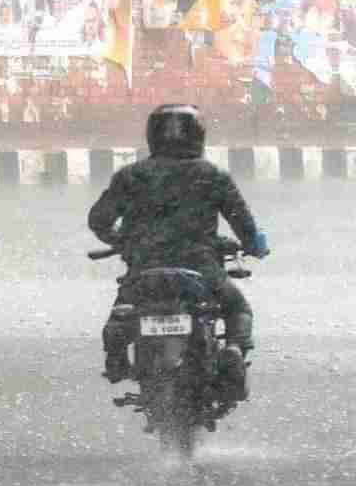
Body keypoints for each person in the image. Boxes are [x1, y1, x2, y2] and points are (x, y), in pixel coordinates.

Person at [88, 104, 270, 398]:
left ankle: (117, 358)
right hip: (201, 268)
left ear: (152, 135)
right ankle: (234, 350)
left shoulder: (131, 176)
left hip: (145, 270)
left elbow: (98, 220)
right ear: (198, 135)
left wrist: (122, 241)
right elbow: (245, 227)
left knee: (120, 315)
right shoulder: (213, 175)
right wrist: (255, 247)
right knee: (237, 308)